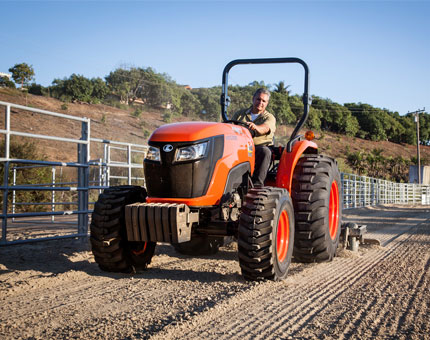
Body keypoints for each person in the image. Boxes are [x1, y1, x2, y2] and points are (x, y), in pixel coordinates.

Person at [232, 88, 276, 187]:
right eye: (258, 99)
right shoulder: (240, 114)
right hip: (239, 147)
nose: (260, 103)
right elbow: (230, 126)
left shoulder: (269, 117)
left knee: (265, 151)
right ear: (253, 99)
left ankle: (257, 186)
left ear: (267, 103)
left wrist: (256, 127)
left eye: (263, 101)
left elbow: (266, 128)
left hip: (258, 148)